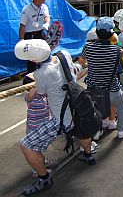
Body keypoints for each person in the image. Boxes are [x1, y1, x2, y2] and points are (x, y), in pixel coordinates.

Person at [15, 39, 94, 196]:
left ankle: (44, 178)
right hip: (77, 107)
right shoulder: (63, 54)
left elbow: (42, 93)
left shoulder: (41, 73)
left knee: (26, 145)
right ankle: (87, 154)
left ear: (33, 60)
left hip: (62, 119)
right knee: (80, 129)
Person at [79, 17, 123, 139]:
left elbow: (81, 61)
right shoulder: (116, 50)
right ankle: (121, 130)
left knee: (95, 112)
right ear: (112, 33)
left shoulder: (88, 47)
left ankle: (96, 133)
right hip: (112, 89)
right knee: (122, 106)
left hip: (94, 90)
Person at [19, 0, 51, 73]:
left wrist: (47, 23)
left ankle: (44, 73)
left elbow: (47, 16)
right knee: (32, 57)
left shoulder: (44, 7)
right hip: (30, 36)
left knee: (44, 53)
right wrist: (21, 40)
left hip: (40, 34)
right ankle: (31, 76)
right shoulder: (27, 10)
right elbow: (22, 25)